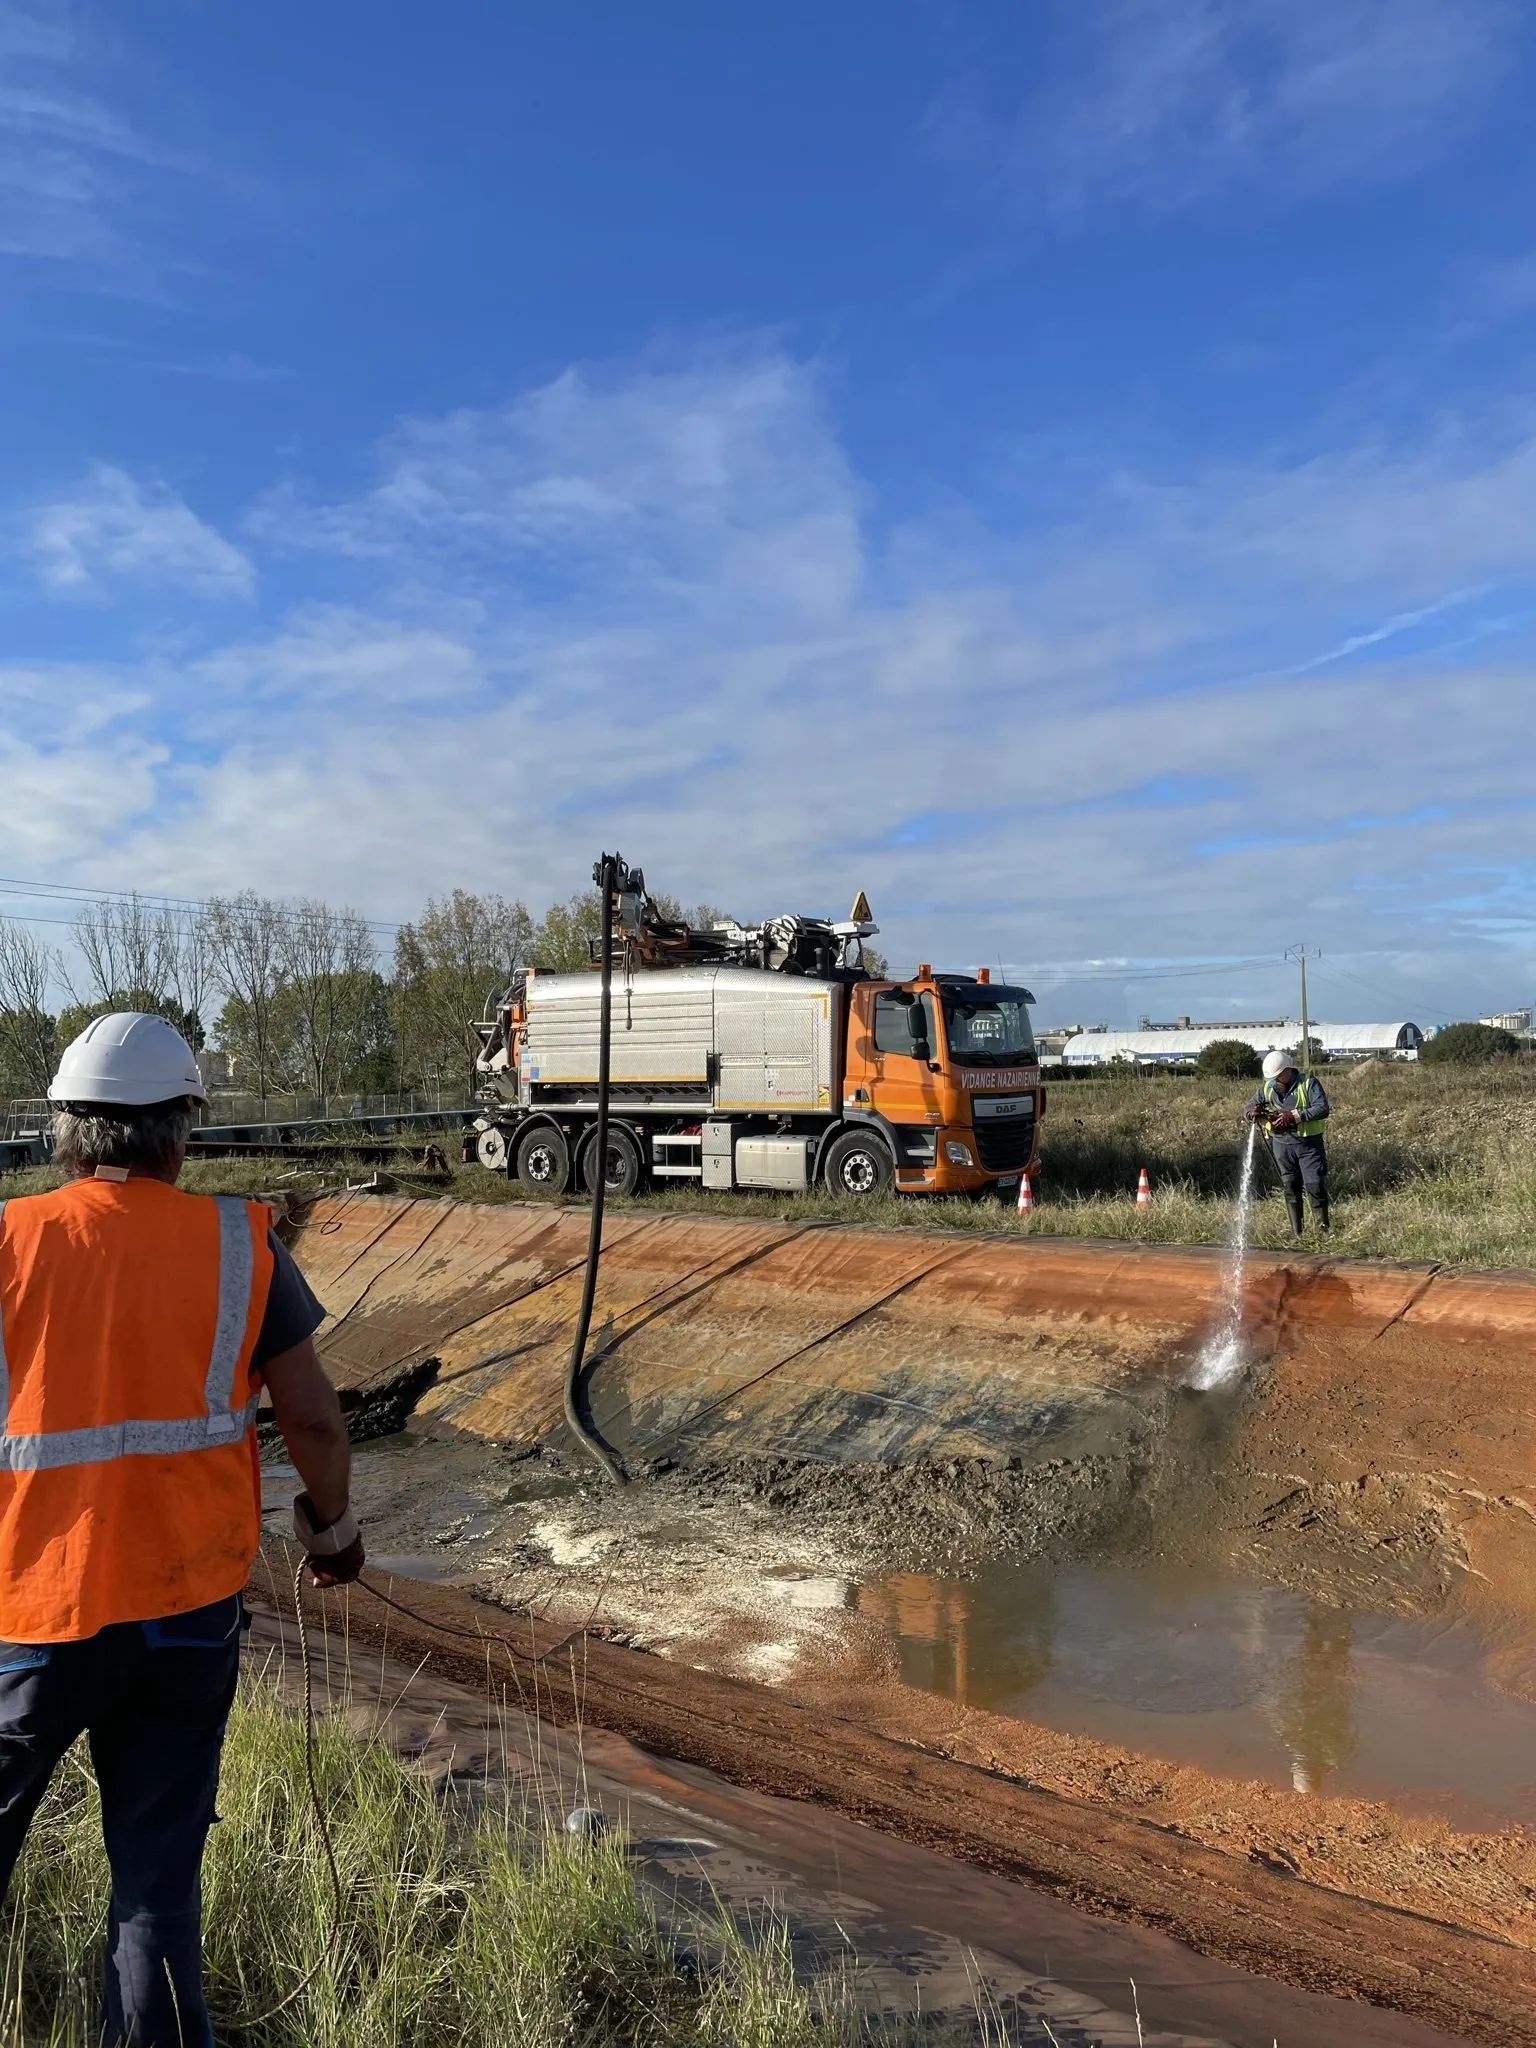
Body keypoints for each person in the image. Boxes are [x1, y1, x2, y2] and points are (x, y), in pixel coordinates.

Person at [0, 1011, 365, 2047]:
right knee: (155, 1884)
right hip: (185, 1619)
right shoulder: (239, 1244)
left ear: (64, 1127)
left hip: (33, 1610)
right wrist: (330, 1533)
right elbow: (315, 1420)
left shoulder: (5, 1239)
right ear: (181, 1132)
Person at [1245, 1047, 1331, 1235]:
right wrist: (1251, 1112)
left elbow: (1322, 1108)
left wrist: (1294, 1117)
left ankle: (1323, 1232)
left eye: (1277, 1077)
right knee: (1290, 1187)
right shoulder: (1268, 1088)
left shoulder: (1309, 1083)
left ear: (1287, 1071)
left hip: (1309, 1145)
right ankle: (1297, 1234)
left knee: (1314, 1185)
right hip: (1281, 1146)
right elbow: (1249, 1106)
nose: (1275, 1081)